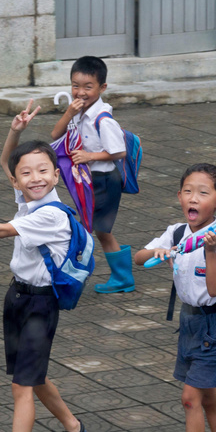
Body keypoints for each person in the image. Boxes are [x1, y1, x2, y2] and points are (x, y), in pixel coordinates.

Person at [0, 101, 84, 432]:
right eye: (25, 173)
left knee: (21, 386)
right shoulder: (27, 200)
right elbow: (5, 162)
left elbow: (3, 231)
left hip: (41, 303)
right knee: (32, 378)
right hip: (17, 298)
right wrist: (15, 131)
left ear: (56, 174)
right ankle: (73, 426)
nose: (34, 178)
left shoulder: (50, 214)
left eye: (42, 171)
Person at [135, 163, 216, 432]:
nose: (193, 198)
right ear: (179, 196)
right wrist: (157, 252)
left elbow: (215, 290)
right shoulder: (177, 233)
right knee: (210, 400)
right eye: (187, 191)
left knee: (190, 399)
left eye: (203, 193)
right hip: (190, 322)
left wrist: (211, 252)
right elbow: (138, 258)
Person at [51, 56, 133, 294]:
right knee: (98, 230)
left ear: (102, 88)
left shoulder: (103, 119)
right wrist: (68, 112)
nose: (80, 92)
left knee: (93, 230)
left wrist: (89, 156)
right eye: (75, 85)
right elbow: (56, 134)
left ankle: (109, 277)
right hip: (91, 181)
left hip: (105, 181)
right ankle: (121, 277)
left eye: (88, 87)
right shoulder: (78, 111)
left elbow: (119, 152)